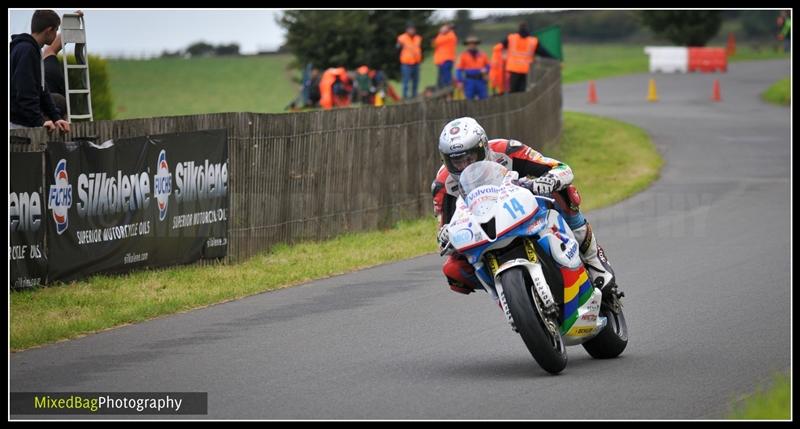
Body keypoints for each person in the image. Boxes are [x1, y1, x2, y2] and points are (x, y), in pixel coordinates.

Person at [431, 117, 619, 298]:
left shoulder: (507, 150)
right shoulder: (442, 184)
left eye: (470, 158)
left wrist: (550, 179)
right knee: (453, 270)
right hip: (483, 231)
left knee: (563, 191)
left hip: (521, 209)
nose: (464, 166)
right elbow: (444, 233)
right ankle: (505, 293)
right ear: (446, 160)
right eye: (457, 161)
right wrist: (446, 234)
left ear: (483, 147)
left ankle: (594, 260)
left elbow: (561, 168)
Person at [10, 9, 70, 132]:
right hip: (20, 127)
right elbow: (24, 91)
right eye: (56, 30)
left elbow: (42, 89)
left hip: (26, 123)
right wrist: (39, 121)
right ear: (49, 30)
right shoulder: (27, 51)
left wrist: (56, 118)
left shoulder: (33, 50)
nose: (56, 34)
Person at [504, 22, 538, 93]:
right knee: (522, 90)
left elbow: (499, 46)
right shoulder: (533, 40)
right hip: (525, 69)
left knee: (513, 89)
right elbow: (543, 52)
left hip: (513, 68)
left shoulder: (511, 38)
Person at [455, 36, 490, 101]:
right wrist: (459, 81)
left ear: (476, 44)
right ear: (467, 45)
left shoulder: (483, 54)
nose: (472, 45)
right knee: (469, 100)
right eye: (470, 43)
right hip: (469, 81)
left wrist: (486, 70)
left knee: (484, 99)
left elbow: (488, 66)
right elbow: (458, 70)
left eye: (474, 43)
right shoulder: (463, 55)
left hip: (481, 80)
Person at [396, 23, 423, 99]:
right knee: (406, 81)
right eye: (410, 29)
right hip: (406, 63)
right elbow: (397, 48)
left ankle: (414, 96)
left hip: (416, 63)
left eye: (413, 29)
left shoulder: (418, 38)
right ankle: (405, 97)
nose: (412, 30)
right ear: (406, 30)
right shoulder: (402, 38)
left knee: (415, 81)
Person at [432, 23, 457, 89]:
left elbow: (436, 42)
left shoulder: (450, 35)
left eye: (444, 28)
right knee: (441, 77)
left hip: (446, 59)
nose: (442, 29)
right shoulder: (446, 35)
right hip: (442, 60)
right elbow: (434, 45)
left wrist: (440, 33)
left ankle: (448, 87)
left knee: (446, 76)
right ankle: (442, 88)